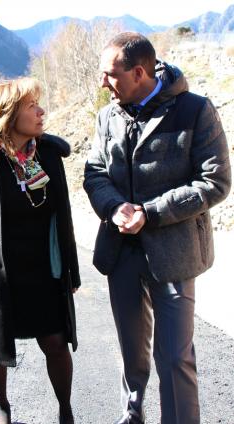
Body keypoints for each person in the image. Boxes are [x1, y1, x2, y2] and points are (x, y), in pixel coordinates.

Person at [83, 32, 231, 424]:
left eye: (110, 74)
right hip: (122, 252)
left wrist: (150, 213)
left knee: (174, 356)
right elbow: (95, 172)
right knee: (132, 352)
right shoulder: (107, 116)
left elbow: (215, 181)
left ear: (139, 72)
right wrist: (114, 207)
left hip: (175, 253)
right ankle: (132, 415)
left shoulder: (195, 110)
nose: (103, 83)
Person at [0, 77, 80, 424]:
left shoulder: (48, 154)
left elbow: (63, 217)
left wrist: (71, 271)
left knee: (56, 343)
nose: (41, 111)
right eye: (31, 106)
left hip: (43, 271)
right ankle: (2, 407)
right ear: (7, 115)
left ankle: (65, 409)